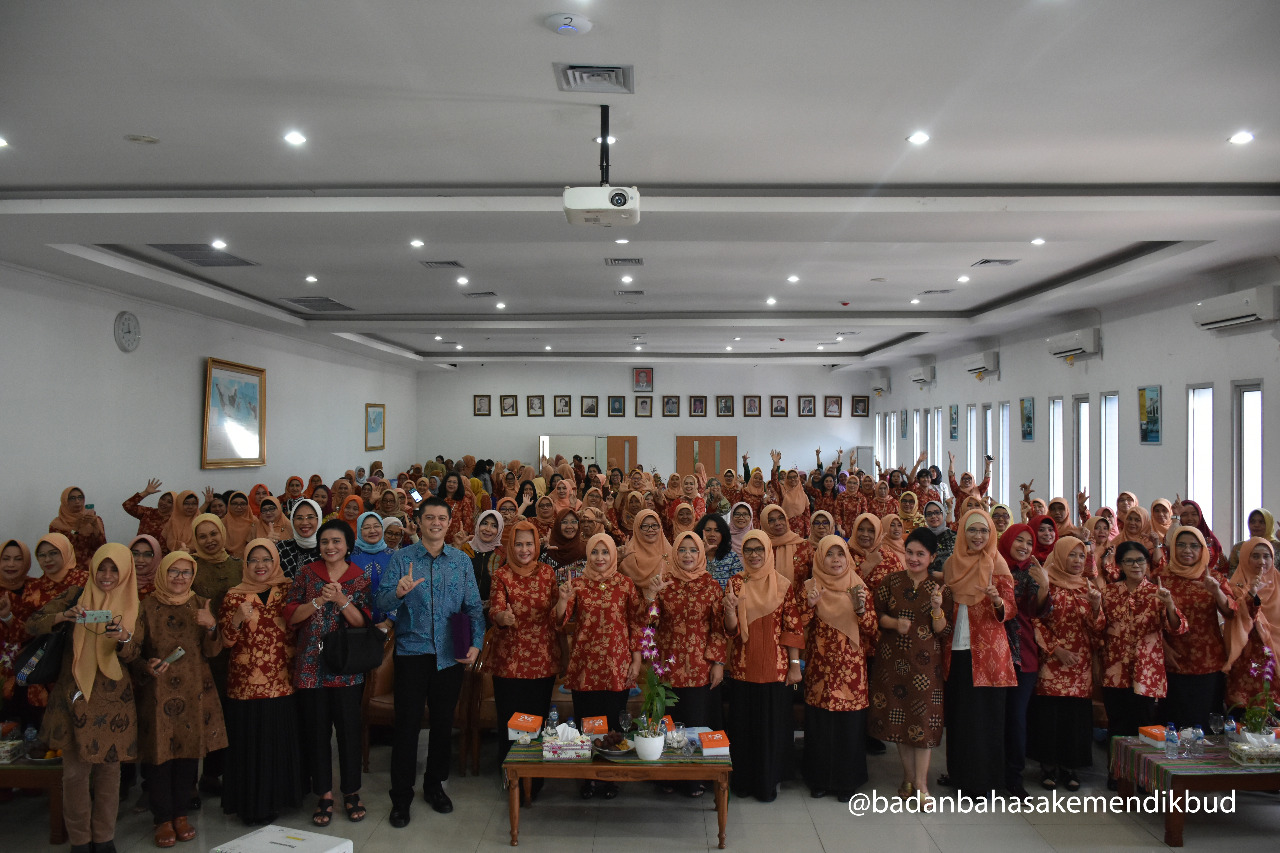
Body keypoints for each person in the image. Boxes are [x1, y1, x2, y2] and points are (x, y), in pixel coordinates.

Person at [375, 497, 484, 827]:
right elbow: (381, 602)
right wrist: (398, 592)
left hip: (449, 656)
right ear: (419, 522)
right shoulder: (402, 558)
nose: (436, 523)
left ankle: (435, 785)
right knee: (407, 726)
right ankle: (401, 796)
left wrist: (476, 644)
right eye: (430, 517)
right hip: (412, 653)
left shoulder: (460, 562)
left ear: (449, 523)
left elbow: (474, 608)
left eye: (441, 518)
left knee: (442, 724)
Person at [27, 542, 139, 853]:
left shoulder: (134, 604)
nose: (107, 575)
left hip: (114, 703)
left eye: (114, 569)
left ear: (125, 572)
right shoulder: (75, 595)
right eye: (101, 568)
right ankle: (79, 840)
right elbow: (32, 623)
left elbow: (136, 653)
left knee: (109, 774)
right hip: (74, 697)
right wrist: (63, 616)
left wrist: (124, 638)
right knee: (75, 775)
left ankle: (104, 838)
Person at [132, 551, 227, 847]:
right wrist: (145, 665)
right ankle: (162, 818)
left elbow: (213, 651)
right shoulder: (146, 606)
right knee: (159, 755)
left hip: (194, 689)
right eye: (173, 571)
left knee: (188, 753)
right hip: (158, 691)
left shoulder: (200, 604)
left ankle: (181, 814)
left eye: (186, 572)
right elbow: (133, 651)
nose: (179, 578)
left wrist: (211, 626)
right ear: (163, 573)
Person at [285, 519, 372, 827]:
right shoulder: (306, 573)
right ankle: (324, 793)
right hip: (310, 666)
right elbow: (292, 616)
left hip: (346, 668)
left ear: (348, 546)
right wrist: (318, 600)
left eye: (337, 541)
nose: (330, 547)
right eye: (325, 541)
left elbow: (362, 622)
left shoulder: (359, 577)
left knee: (349, 732)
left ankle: (351, 791)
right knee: (317, 733)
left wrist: (341, 600)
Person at [218, 539, 302, 826]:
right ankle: (249, 804)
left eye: (266, 559)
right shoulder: (234, 596)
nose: (260, 565)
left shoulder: (288, 590)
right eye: (253, 559)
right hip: (245, 685)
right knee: (248, 747)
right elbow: (226, 642)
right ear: (245, 564)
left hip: (282, 681)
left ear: (276, 561)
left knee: (276, 744)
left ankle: (277, 800)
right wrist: (237, 619)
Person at [557, 532, 643, 799]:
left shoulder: (625, 584)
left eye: (605, 552)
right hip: (585, 666)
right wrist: (562, 600)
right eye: (594, 552)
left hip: (617, 666)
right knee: (588, 724)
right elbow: (559, 621)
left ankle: (610, 778)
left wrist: (637, 659)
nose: (600, 557)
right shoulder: (578, 584)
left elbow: (636, 622)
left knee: (614, 724)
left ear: (613, 555)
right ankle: (589, 778)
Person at [870, 528, 953, 803]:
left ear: (932, 557)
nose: (913, 558)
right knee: (900, 720)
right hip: (892, 662)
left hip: (927, 666)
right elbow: (877, 615)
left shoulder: (940, 588)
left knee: (924, 721)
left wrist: (937, 608)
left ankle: (921, 784)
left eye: (920, 554)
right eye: (909, 552)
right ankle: (907, 777)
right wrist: (895, 623)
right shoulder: (891, 581)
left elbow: (942, 630)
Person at [940, 509, 1016, 795]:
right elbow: (946, 602)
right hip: (956, 649)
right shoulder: (951, 564)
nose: (978, 536)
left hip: (988, 655)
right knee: (960, 717)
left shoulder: (997, 562)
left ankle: (984, 783)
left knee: (986, 719)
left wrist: (997, 601)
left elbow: (1011, 608)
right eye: (972, 530)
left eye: (984, 531)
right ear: (962, 532)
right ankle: (959, 775)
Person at [723, 530, 803, 802]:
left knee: (772, 729)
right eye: (749, 550)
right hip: (743, 668)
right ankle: (744, 781)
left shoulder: (782, 584)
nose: (754, 555)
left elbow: (792, 628)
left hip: (775, 669)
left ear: (768, 551)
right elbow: (731, 631)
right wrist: (729, 611)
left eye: (759, 549)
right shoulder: (736, 583)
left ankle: (769, 781)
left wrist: (794, 666)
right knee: (744, 728)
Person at [797, 535, 877, 800]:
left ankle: (846, 782)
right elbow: (797, 625)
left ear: (848, 558)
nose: (835, 560)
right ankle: (818, 779)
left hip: (851, 670)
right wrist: (809, 606)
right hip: (820, 668)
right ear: (820, 558)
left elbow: (872, 629)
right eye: (829, 554)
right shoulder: (810, 587)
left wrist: (861, 610)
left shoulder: (859, 587)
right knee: (820, 725)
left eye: (840, 554)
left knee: (848, 728)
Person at [1100, 541, 1184, 787]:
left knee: (1144, 725)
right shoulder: (1109, 593)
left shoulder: (1158, 593)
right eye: (1129, 561)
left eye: (1140, 561)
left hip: (1147, 670)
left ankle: (1144, 778)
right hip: (1115, 668)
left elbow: (1177, 628)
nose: (1136, 565)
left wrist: (1169, 605)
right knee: (1117, 724)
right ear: (1120, 565)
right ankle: (1117, 775)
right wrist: (1094, 607)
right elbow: (1098, 628)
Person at [649, 532, 727, 791]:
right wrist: (651, 598)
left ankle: (696, 779)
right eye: (682, 550)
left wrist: (718, 663)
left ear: (701, 553)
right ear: (674, 554)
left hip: (700, 668)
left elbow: (718, 629)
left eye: (693, 550)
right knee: (669, 724)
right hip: (668, 666)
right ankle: (668, 777)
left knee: (696, 723)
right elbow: (650, 622)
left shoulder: (711, 586)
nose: (687, 555)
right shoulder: (664, 584)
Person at [1027, 537, 1103, 792]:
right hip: (1051, 662)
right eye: (1071, 555)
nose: (1077, 561)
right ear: (1060, 556)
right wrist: (1056, 649)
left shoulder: (1088, 588)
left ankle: (1071, 767)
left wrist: (1096, 607)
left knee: (1075, 718)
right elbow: (1035, 620)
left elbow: (1097, 630)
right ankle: (1048, 766)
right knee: (1050, 716)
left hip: (1080, 664)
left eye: (1081, 556)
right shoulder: (1046, 583)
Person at [489, 521, 561, 766]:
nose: (524, 549)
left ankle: (535, 777)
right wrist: (503, 617)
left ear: (536, 545)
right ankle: (510, 776)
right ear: (511, 546)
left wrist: (564, 601)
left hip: (542, 659)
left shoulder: (547, 573)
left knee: (537, 721)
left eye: (529, 544)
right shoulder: (501, 574)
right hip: (509, 660)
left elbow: (556, 613)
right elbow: (496, 610)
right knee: (511, 722)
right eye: (519, 544)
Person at [996, 524, 1051, 796]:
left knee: (1016, 718)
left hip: (1023, 656)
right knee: (993, 717)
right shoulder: (993, 567)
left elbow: (1040, 611)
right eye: (1019, 540)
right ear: (1007, 540)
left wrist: (1044, 587)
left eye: (1029, 543)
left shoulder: (1032, 571)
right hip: (992, 655)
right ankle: (990, 772)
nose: (1025, 547)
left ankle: (1014, 777)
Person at [1162, 526, 1235, 729]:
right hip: (1174, 658)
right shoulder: (1161, 577)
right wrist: (1163, 648)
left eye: (1194, 546)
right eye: (1181, 545)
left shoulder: (1214, 577)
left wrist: (1217, 592)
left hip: (1208, 660)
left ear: (1202, 549)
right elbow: (1150, 619)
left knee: (1205, 722)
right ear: (1173, 548)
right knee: (1174, 724)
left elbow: (1231, 612)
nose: (1187, 550)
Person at [1223, 538, 1277, 714]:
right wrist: (1252, 594)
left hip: (1275, 660)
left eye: (1266, 556)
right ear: (1245, 558)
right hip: (1246, 659)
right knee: (1244, 715)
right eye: (1255, 556)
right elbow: (1236, 617)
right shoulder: (1234, 586)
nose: (1262, 562)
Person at [349, 512, 395, 625]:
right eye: (366, 527)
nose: (372, 531)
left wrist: (390, 622)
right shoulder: (349, 556)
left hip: (388, 624)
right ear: (359, 531)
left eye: (376, 526)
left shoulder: (393, 556)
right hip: (356, 623)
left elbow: (400, 590)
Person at [49, 486, 107, 570]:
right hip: (68, 571)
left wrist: (95, 525)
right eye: (72, 498)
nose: (77, 501)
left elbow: (102, 546)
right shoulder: (57, 525)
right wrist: (76, 527)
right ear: (65, 501)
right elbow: (62, 550)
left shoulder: (96, 520)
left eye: (80, 497)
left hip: (94, 569)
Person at [694, 513, 742, 590]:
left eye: (717, 530)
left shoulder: (732, 558)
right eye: (708, 530)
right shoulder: (693, 556)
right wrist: (702, 553)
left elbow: (738, 585)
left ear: (723, 533)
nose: (712, 534)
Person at [277, 499, 322, 579]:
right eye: (299, 518)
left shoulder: (326, 551)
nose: (304, 522)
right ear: (292, 520)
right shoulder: (281, 548)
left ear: (319, 520)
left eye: (310, 517)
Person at [122, 480, 172, 551]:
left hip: (162, 556)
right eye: (162, 499)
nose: (164, 503)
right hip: (140, 553)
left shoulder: (174, 520)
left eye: (169, 502)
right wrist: (146, 492)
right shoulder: (148, 512)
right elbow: (127, 505)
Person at [222, 492, 255, 559]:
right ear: (229, 505)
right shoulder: (222, 522)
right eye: (235, 504)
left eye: (243, 504)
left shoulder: (254, 521)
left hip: (250, 558)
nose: (239, 507)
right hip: (226, 559)